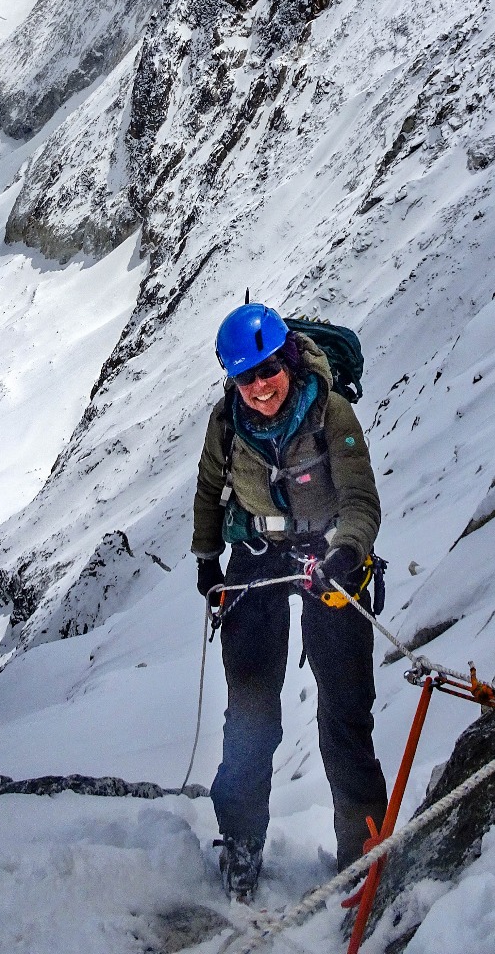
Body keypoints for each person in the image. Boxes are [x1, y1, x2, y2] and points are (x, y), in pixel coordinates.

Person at [192, 302, 388, 901]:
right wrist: (207, 560)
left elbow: (360, 499)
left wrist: (349, 552)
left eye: (267, 370)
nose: (260, 387)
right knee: (250, 716)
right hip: (256, 556)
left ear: (286, 359)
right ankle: (242, 845)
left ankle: (362, 855)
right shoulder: (226, 423)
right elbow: (208, 489)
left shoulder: (331, 412)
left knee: (344, 714)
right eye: (246, 377)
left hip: (329, 555)